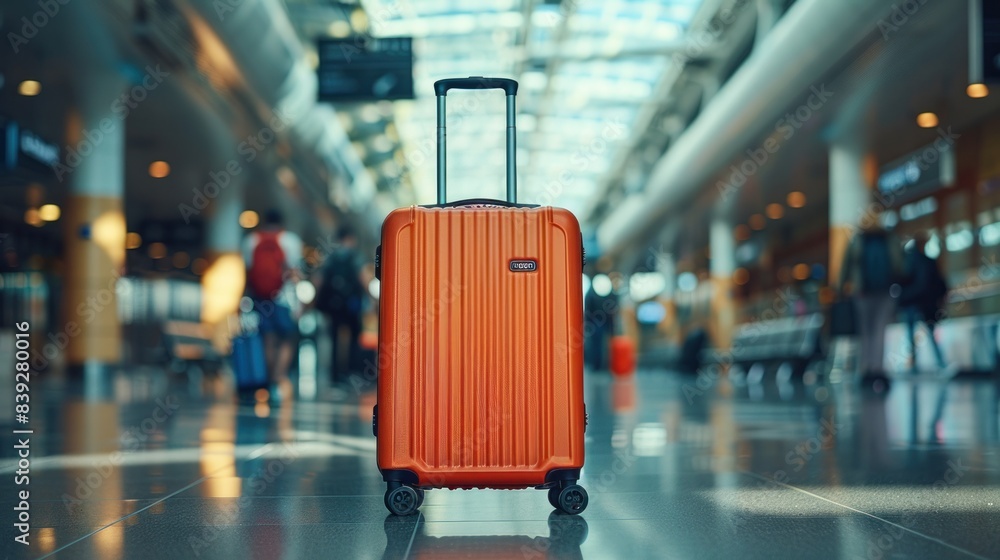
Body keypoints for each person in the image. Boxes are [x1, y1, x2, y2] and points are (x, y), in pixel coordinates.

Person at [242, 209, 303, 403]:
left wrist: (243, 299)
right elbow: (294, 274)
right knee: (287, 339)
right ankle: (277, 380)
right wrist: (299, 301)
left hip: (261, 298)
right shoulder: (290, 241)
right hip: (283, 299)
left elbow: (248, 274)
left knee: (268, 340)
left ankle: (268, 382)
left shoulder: (251, 241)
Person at [839, 223, 904, 388]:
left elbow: (847, 265)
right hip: (884, 291)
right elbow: (899, 265)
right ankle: (877, 368)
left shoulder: (858, 240)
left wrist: (841, 288)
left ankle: (866, 368)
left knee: (865, 331)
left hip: (862, 291)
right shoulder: (889, 239)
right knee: (879, 331)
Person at [314, 226, 366, 387]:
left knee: (335, 339)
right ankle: (351, 373)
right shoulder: (355, 256)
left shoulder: (330, 257)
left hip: (334, 305)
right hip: (352, 305)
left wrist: (315, 300)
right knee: (354, 340)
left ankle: (335, 376)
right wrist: (372, 299)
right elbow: (362, 277)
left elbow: (319, 280)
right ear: (351, 238)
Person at [899, 232, 949, 373]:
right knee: (922, 334)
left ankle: (919, 364)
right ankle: (937, 363)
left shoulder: (909, 261)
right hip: (921, 303)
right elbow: (938, 282)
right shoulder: (924, 262)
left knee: (915, 334)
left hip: (915, 302)